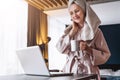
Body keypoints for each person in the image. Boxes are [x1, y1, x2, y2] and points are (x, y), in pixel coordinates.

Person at [56, 0, 111, 80]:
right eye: (71, 13)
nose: (74, 15)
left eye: (77, 11)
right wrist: (72, 32)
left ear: (84, 10)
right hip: (70, 71)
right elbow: (60, 49)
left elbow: (106, 55)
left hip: (88, 72)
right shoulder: (69, 31)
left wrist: (88, 49)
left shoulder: (96, 31)